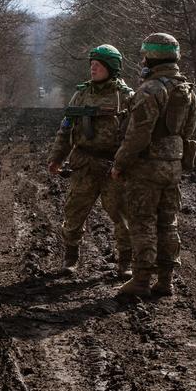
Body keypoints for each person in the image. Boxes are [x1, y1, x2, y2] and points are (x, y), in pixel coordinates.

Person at [111, 33, 196, 298]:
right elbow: (189, 129)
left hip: (146, 167)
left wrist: (120, 162)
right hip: (173, 167)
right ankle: (166, 280)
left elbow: (138, 134)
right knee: (167, 222)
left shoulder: (150, 90)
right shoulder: (186, 89)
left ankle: (140, 280)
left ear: (151, 56)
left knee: (142, 221)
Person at [47, 44, 134, 278]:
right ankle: (70, 258)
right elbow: (65, 130)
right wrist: (57, 157)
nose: (93, 69)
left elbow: (135, 135)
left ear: (111, 68)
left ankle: (126, 263)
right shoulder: (81, 94)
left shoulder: (126, 97)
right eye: (91, 65)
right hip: (84, 164)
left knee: (122, 216)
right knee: (74, 212)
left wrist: (125, 164)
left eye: (98, 66)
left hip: (113, 167)